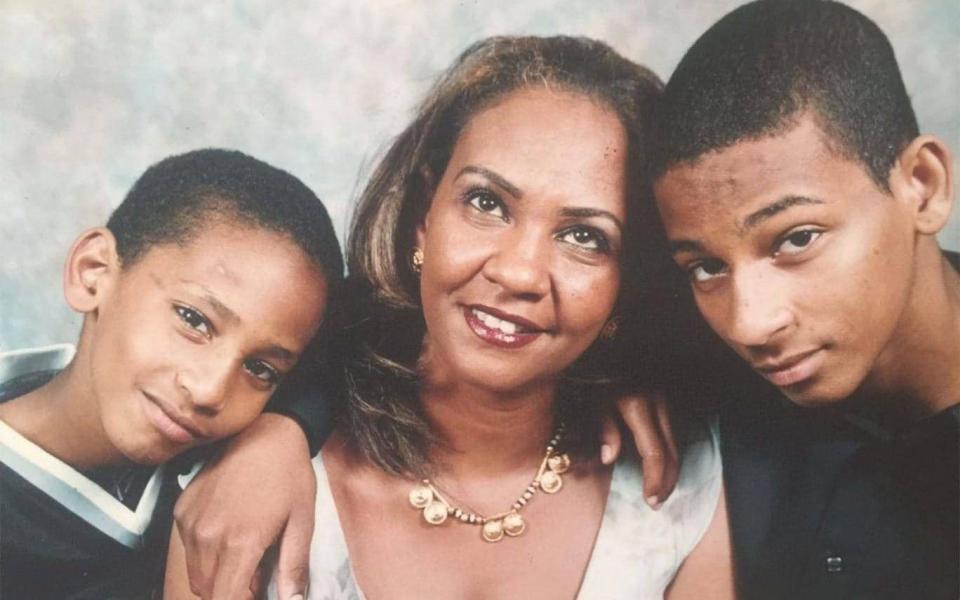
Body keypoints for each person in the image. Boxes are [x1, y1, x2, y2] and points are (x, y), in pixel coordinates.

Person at [163, 35, 732, 600]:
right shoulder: (254, 481)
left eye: (585, 237)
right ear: (422, 220)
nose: (519, 273)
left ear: (628, 281)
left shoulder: (683, 493)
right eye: (487, 203)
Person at [651, 1, 959, 598]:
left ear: (922, 186)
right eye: (706, 267)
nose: (750, 324)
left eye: (796, 239)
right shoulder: (707, 396)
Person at [0, 148, 343, 599]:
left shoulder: (229, 449)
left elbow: (372, 331)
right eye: (193, 320)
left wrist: (286, 430)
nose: (210, 390)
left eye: (260, 369)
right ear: (93, 273)